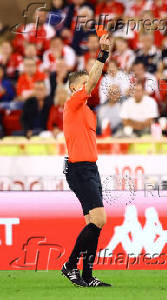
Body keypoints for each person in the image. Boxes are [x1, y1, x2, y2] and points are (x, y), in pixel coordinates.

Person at [61, 33, 112, 288]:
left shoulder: (87, 112)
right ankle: (70, 265)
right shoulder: (72, 103)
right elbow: (91, 82)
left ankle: (88, 275)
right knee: (100, 219)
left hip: (90, 168)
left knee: (93, 223)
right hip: (80, 169)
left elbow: (91, 83)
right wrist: (102, 56)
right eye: (83, 85)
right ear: (74, 88)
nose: (88, 88)